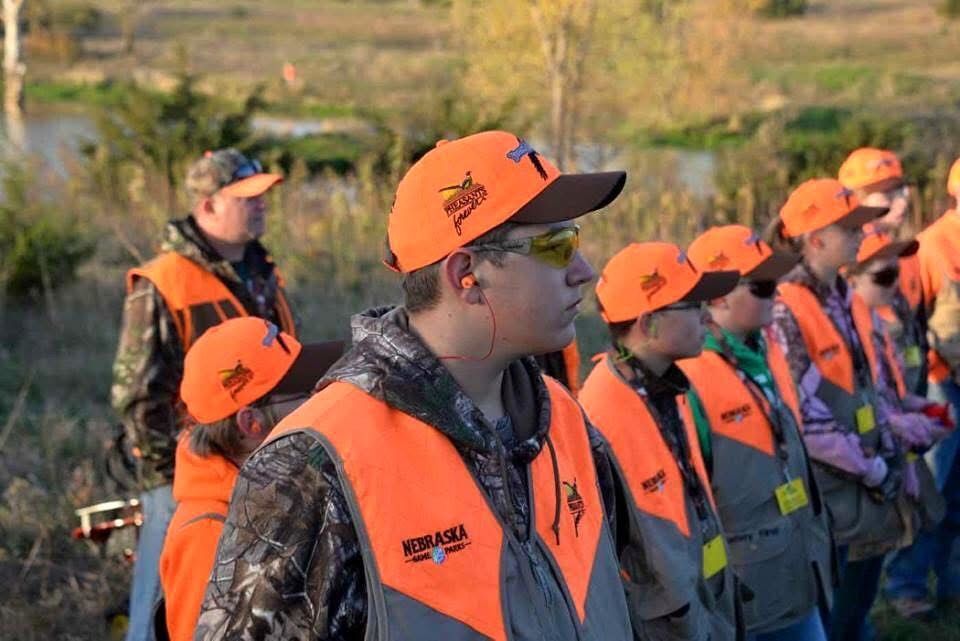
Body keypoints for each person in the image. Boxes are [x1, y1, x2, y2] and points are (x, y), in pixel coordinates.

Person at [195, 131, 634, 640]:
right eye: (558, 246)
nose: (584, 271)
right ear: (466, 272)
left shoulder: (563, 419)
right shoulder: (314, 463)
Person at [110, 148, 291, 641]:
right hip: (186, 479)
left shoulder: (260, 271)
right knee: (160, 607)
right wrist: (177, 476)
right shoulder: (162, 282)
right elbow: (138, 396)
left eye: (263, 196)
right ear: (208, 205)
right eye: (247, 198)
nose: (261, 206)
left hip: (255, 463)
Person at [764, 178, 909, 641]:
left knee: (853, 605)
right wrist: (871, 468)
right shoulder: (786, 305)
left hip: (857, 474)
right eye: (849, 229)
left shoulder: (840, 294)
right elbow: (803, 416)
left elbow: (860, 382)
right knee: (831, 609)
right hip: (827, 486)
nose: (862, 236)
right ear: (816, 239)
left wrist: (889, 444)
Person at [579, 241, 740, 641]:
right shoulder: (600, 411)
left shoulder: (663, 386)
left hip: (703, 603)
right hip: (665, 624)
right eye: (691, 305)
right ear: (648, 322)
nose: (706, 315)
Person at [680, 225, 833, 641]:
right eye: (763, 287)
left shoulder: (763, 348)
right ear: (717, 297)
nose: (777, 295)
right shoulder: (690, 379)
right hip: (748, 588)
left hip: (796, 561)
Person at [157, 317, 342, 641]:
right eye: (302, 391)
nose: (318, 395)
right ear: (251, 423)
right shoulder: (207, 534)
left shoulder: (281, 486)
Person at [882, 156, 960, 613]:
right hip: (941, 385)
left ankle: (952, 583)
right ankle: (906, 587)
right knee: (927, 489)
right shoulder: (933, 245)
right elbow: (909, 321)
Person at [838, 147, 927, 395]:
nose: (901, 201)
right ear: (855, 199)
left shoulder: (902, 249)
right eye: (887, 194)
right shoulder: (846, 258)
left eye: (901, 190)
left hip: (909, 383)